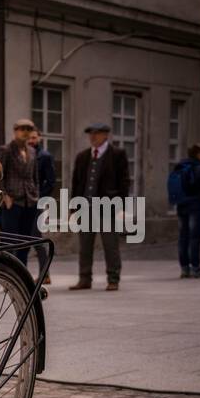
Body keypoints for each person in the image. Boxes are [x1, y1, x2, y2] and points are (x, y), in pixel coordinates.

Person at [68, 121, 130, 291]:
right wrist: (73, 208)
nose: (93, 137)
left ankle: (113, 278)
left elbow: (124, 182)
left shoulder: (117, 154)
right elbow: (77, 184)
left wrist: (122, 206)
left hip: (108, 208)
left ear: (105, 135)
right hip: (85, 208)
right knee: (85, 247)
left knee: (111, 246)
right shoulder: (82, 156)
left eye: (96, 133)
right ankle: (85, 279)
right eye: (90, 133)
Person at [0, 118, 40, 270]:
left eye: (28, 129)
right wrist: (4, 196)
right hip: (13, 201)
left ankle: (22, 271)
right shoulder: (6, 150)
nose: (25, 132)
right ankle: (7, 272)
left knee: (25, 241)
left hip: (30, 200)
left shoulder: (32, 151)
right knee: (9, 241)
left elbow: (35, 176)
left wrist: (36, 194)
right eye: (22, 129)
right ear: (15, 131)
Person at [169, 143, 200, 279]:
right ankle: (196, 268)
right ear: (198, 155)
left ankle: (185, 269)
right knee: (194, 238)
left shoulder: (179, 167)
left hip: (181, 206)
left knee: (183, 237)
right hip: (197, 207)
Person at [28, 128, 55, 283]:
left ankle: (45, 274)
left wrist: (40, 199)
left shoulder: (45, 156)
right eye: (29, 138)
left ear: (39, 138)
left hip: (37, 203)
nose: (31, 140)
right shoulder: (23, 155)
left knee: (35, 237)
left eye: (34, 137)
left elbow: (50, 182)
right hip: (24, 203)